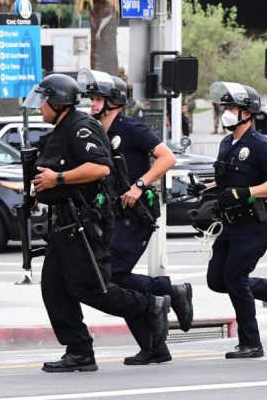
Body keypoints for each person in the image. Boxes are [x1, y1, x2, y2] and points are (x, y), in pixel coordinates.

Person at [22, 73, 170, 372]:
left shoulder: (81, 127)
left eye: (43, 102)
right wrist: (43, 188)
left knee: (91, 289)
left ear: (58, 102)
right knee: (53, 288)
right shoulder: (61, 129)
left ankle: (149, 304)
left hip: (83, 223)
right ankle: (79, 351)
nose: (39, 108)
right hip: (64, 222)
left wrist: (58, 178)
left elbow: (101, 167)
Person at [82, 69, 193, 365]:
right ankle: (154, 346)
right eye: (91, 98)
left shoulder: (131, 128)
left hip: (137, 214)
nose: (92, 104)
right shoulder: (97, 134)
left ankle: (169, 291)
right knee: (117, 283)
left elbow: (168, 157)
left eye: (97, 98)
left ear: (113, 102)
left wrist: (139, 185)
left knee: (114, 276)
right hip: (113, 216)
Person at [205, 81, 267, 359]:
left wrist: (247, 192)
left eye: (232, 107)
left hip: (255, 224)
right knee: (217, 280)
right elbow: (227, 182)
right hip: (231, 224)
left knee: (235, 278)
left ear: (248, 113)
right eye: (226, 107)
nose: (227, 112)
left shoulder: (259, 145)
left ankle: (251, 342)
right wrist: (205, 189)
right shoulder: (226, 143)